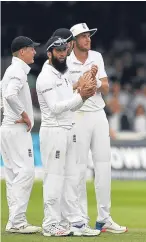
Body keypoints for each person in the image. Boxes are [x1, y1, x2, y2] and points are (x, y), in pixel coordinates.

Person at [67, 22, 127, 234]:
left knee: (103, 166)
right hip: (77, 114)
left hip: (98, 113)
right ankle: (81, 218)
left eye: (89, 35)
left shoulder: (97, 57)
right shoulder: (66, 60)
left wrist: (94, 79)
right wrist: (81, 83)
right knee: (80, 168)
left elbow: (106, 86)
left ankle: (104, 218)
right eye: (83, 36)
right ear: (73, 41)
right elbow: (66, 89)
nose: (88, 39)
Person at [36, 36, 97, 236]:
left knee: (71, 179)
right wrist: (80, 96)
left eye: (64, 50)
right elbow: (54, 108)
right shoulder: (46, 77)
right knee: (53, 179)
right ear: (49, 53)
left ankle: (73, 222)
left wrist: (84, 97)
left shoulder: (62, 75)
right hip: (54, 131)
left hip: (67, 128)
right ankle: (50, 224)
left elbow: (71, 104)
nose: (62, 54)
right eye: (58, 51)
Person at [0, 36, 41, 234]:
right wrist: (23, 114)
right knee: (26, 172)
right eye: (32, 49)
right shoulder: (18, 70)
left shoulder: (11, 69)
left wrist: (7, 113)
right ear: (22, 51)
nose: (35, 52)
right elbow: (8, 95)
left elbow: (2, 93)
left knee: (13, 174)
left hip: (7, 127)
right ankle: (16, 221)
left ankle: (16, 220)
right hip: (16, 129)